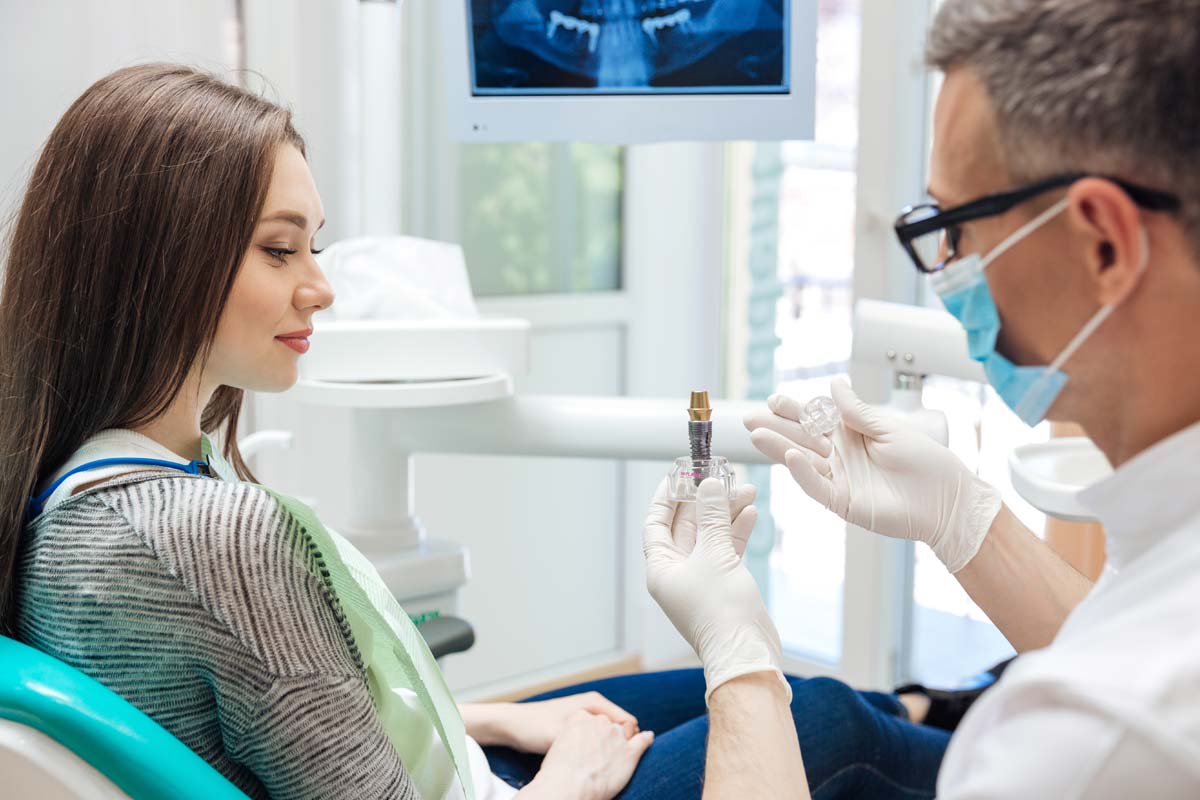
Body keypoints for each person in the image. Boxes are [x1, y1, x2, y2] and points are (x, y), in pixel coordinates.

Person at [0, 62, 966, 800]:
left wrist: (497, 716)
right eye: (279, 249)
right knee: (825, 719)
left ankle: (951, 708)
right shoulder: (213, 537)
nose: (321, 287)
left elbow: (287, 722)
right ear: (159, 259)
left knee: (803, 697)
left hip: (442, 761)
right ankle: (1016, 745)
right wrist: (569, 778)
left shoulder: (75, 490)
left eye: (314, 245)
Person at [646, 0, 1200, 796]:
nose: (946, 268)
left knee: (828, 722)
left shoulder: (1088, 740)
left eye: (957, 227)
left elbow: (1122, 686)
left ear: (1104, 244)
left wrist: (739, 659)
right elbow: (1121, 634)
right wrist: (962, 519)